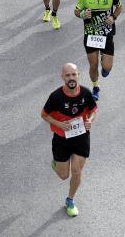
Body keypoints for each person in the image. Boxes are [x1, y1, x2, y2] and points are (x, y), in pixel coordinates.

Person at [41, 63, 97, 217]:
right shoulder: (56, 97)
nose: (71, 78)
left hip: (81, 137)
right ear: (62, 77)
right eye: (67, 75)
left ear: (78, 75)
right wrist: (59, 124)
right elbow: (44, 115)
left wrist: (90, 120)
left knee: (77, 171)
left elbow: (93, 110)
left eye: (74, 74)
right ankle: (57, 164)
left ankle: (70, 200)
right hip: (61, 139)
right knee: (64, 175)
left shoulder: (85, 93)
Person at [74, 0, 122, 101]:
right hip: (90, 35)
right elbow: (76, 11)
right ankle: (95, 87)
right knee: (93, 65)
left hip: (107, 35)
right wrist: (83, 14)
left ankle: (104, 62)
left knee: (106, 69)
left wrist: (113, 17)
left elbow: (119, 7)